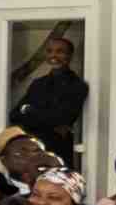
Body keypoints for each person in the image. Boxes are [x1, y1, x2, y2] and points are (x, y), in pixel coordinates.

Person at [11, 26, 88, 165]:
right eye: (49, 51)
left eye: (60, 52)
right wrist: (47, 119)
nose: (54, 56)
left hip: (57, 152)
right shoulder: (38, 83)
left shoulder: (77, 86)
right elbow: (15, 115)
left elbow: (62, 118)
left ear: (70, 55)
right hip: (32, 150)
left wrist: (29, 110)